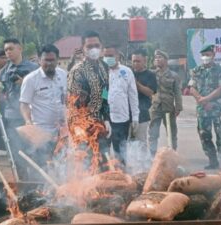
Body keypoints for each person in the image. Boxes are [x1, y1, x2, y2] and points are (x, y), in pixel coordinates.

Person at [20, 44, 67, 179]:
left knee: (61, 167)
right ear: (39, 60)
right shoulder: (30, 79)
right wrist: (28, 121)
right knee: (41, 169)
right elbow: (24, 104)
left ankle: (61, 195)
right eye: (46, 60)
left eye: (52, 60)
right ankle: (39, 195)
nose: (49, 63)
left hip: (62, 132)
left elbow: (68, 100)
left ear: (57, 60)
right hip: (41, 132)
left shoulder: (64, 76)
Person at [68, 30, 112, 171]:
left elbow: (105, 92)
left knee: (104, 160)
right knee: (86, 162)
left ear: (101, 46)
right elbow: (73, 103)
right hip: (83, 125)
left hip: (99, 123)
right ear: (83, 49)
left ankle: (105, 190)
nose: (94, 49)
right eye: (90, 46)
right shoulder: (77, 71)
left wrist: (106, 118)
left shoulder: (104, 67)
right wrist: (81, 128)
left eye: (97, 45)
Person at [0, 38, 39, 179]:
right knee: (16, 152)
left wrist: (25, 83)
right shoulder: (4, 71)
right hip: (12, 116)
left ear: (20, 48)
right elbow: (4, 92)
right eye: (6, 50)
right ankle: (22, 182)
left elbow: (41, 90)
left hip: (30, 116)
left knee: (34, 151)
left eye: (11, 48)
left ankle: (37, 183)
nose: (8, 52)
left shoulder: (34, 69)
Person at [189, 44, 221, 169]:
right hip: (202, 109)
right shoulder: (196, 70)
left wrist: (207, 99)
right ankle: (212, 161)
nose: (205, 57)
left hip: (216, 108)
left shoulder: (220, 70)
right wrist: (202, 101)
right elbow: (192, 88)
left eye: (208, 55)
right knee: (204, 135)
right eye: (203, 55)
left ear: (213, 55)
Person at [103, 45, 139, 164]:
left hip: (122, 119)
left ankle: (123, 176)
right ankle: (105, 176)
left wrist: (135, 117)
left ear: (118, 56)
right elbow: (100, 95)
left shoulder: (126, 71)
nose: (108, 58)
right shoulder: (101, 72)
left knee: (121, 152)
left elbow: (133, 95)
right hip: (104, 119)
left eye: (111, 55)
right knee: (104, 152)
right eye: (106, 56)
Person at [148, 50, 183, 155]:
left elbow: (177, 92)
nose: (157, 59)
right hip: (155, 108)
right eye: (156, 58)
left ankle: (172, 154)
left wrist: (178, 107)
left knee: (171, 133)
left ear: (166, 60)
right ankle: (152, 156)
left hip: (169, 108)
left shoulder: (174, 75)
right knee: (153, 133)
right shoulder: (151, 74)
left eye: (160, 57)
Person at [131, 49, 157, 149]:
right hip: (128, 114)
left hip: (142, 114)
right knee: (129, 142)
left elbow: (150, 92)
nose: (135, 64)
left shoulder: (150, 75)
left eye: (138, 61)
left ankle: (143, 164)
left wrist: (136, 83)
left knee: (140, 142)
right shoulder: (128, 72)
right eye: (133, 61)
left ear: (145, 60)